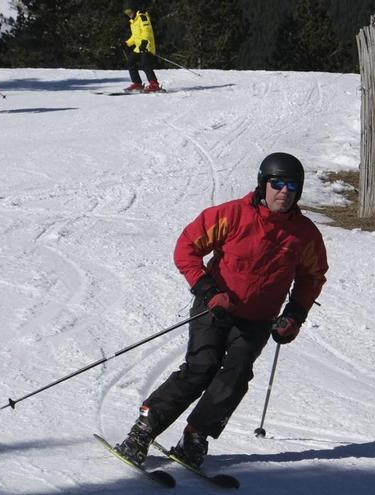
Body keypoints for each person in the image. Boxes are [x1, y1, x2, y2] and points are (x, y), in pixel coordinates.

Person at [115, 152, 328, 467]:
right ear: (263, 184)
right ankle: (143, 429)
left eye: (291, 185)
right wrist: (208, 290)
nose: (284, 191)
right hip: (215, 308)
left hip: (258, 319)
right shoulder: (231, 216)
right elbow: (186, 248)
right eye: (277, 183)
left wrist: (294, 316)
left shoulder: (304, 234)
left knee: (236, 376)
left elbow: (312, 277)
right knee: (201, 368)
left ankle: (195, 436)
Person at [122, 1, 161, 93]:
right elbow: (135, 37)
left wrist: (144, 42)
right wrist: (127, 43)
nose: (129, 14)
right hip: (139, 47)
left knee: (145, 64)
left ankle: (154, 85)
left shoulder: (142, 17)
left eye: (130, 11)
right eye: (126, 13)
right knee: (130, 62)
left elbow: (147, 31)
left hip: (147, 46)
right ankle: (137, 83)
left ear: (134, 9)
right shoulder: (133, 22)